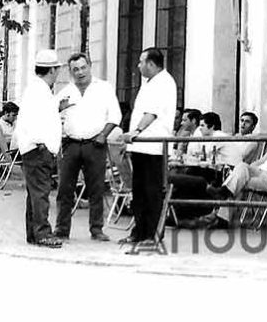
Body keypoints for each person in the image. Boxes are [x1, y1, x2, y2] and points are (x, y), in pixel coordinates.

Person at [54, 52, 121, 243]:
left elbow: (115, 116)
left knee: (96, 188)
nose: (80, 72)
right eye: (75, 69)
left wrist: (103, 135)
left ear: (90, 66)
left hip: (95, 143)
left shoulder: (104, 88)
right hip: (71, 144)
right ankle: (62, 228)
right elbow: (52, 114)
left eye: (83, 67)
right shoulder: (65, 91)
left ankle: (97, 229)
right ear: (70, 71)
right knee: (65, 188)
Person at [201, 118, 267, 228]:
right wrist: (243, 171)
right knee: (242, 167)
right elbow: (261, 162)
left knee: (236, 183)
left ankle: (221, 215)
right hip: (265, 173)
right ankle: (223, 199)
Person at [121, 47, 178, 250]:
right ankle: (139, 230)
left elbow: (152, 113)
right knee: (139, 192)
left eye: (141, 62)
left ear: (151, 64)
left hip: (153, 146)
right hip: (142, 146)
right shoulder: (150, 83)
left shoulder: (163, 82)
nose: (138, 65)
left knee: (152, 191)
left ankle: (151, 233)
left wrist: (135, 131)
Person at [14, 49, 65, 248]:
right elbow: (35, 121)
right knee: (40, 193)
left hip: (35, 147)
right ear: (52, 70)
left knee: (35, 193)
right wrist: (43, 145)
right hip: (38, 149)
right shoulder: (39, 91)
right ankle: (43, 233)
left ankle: (34, 233)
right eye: (57, 69)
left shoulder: (36, 89)